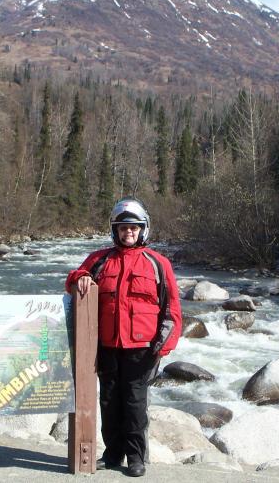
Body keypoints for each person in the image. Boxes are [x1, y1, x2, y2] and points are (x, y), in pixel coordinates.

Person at [65, 197, 182, 477]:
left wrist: (163, 346)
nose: (128, 232)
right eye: (123, 228)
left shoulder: (158, 263)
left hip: (142, 348)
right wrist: (81, 277)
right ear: (115, 230)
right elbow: (71, 281)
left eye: (133, 228)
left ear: (143, 230)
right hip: (106, 346)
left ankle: (136, 457)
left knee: (134, 403)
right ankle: (112, 454)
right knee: (109, 401)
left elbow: (172, 308)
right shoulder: (99, 259)